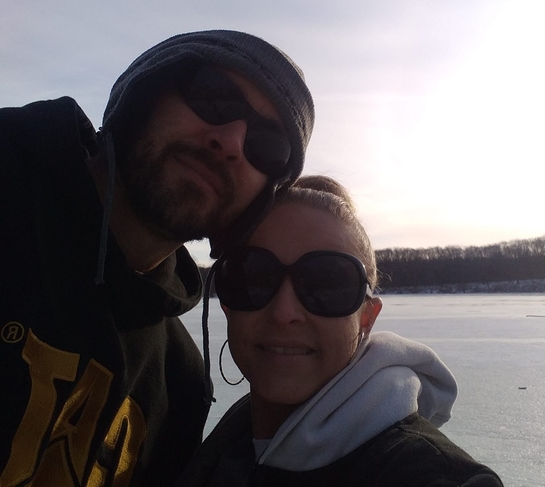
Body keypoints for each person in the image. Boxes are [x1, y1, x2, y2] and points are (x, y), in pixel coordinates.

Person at [0, 30, 315, 486]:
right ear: (144, 94)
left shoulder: (178, 387)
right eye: (213, 97)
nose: (231, 141)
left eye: (268, 146)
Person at [177, 176, 504, 486]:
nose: (284, 313)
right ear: (228, 303)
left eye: (327, 284)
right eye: (256, 278)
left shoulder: (423, 472)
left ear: (367, 317)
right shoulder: (225, 442)